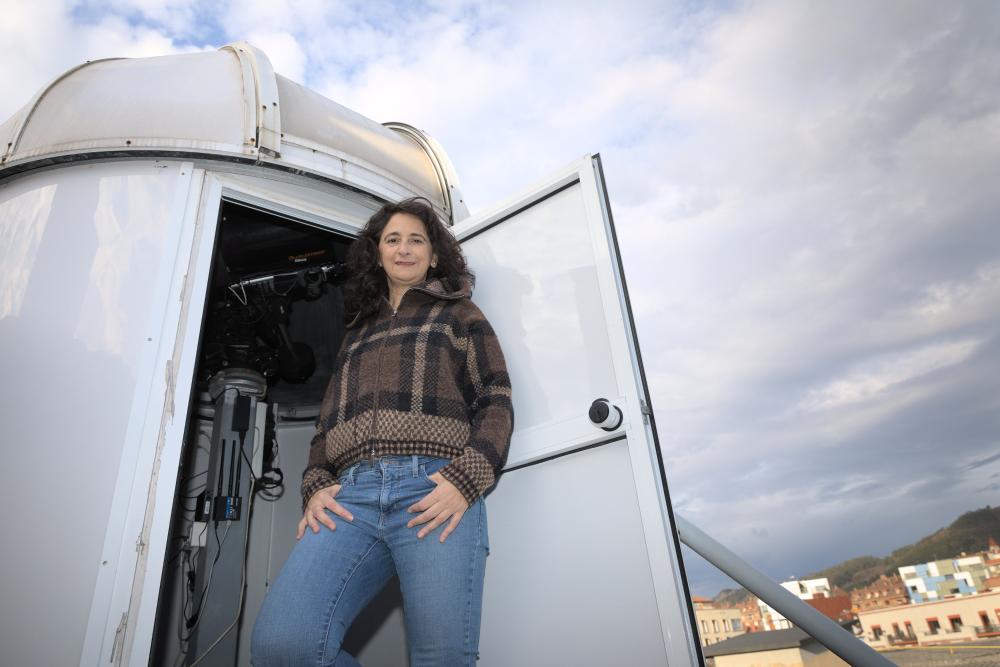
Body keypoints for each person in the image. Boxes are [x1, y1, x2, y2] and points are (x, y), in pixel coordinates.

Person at [251, 198, 514, 666]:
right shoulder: (356, 332)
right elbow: (324, 427)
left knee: (442, 658)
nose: (404, 248)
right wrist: (314, 486)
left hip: (432, 493)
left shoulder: (460, 314)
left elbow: (495, 399)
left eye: (417, 240)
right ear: (377, 253)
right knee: (281, 646)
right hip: (351, 498)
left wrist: (465, 479)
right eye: (393, 239)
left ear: (434, 256)